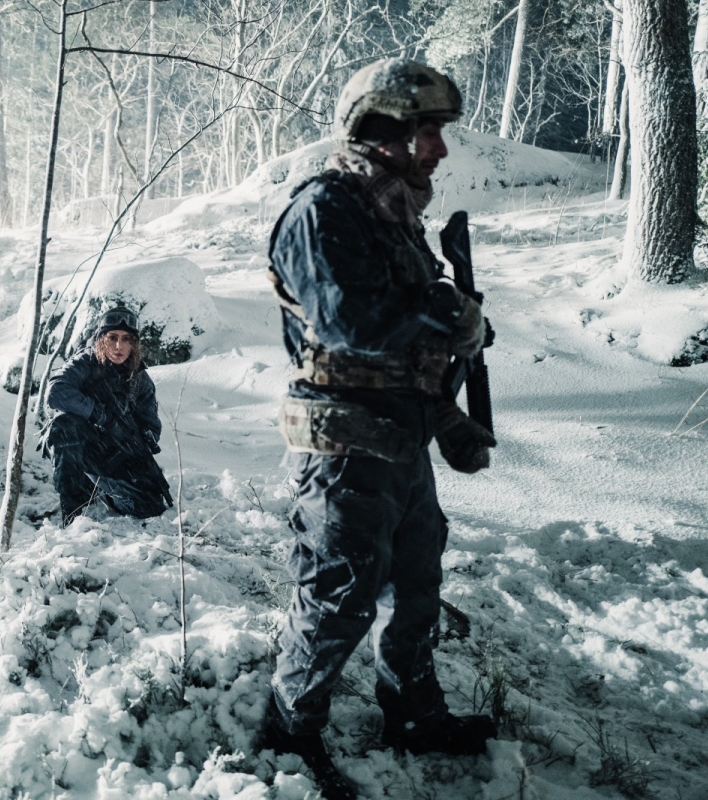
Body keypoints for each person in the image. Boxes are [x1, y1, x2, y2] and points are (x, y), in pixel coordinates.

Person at [261, 60, 498, 798]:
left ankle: (413, 713)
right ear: (381, 128)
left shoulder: (391, 212)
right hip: (341, 449)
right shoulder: (323, 209)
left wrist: (452, 410)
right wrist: (445, 316)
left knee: (417, 589)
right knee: (339, 600)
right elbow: (348, 322)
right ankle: (289, 730)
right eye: (427, 130)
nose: (439, 149)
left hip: (400, 440)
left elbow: (410, 349)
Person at [41, 306, 173, 525]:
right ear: (101, 339)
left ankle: (99, 488)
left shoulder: (140, 379)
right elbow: (56, 393)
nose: (119, 346)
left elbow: (152, 426)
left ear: (134, 344)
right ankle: (73, 510)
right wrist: (97, 414)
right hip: (85, 443)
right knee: (64, 425)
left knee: (148, 507)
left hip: (117, 450)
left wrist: (142, 440)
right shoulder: (85, 362)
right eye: (112, 338)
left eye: (126, 339)